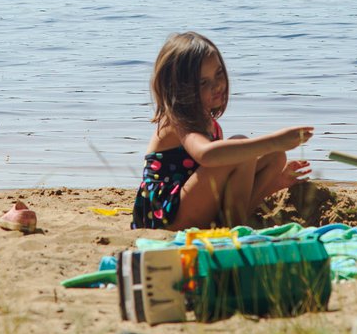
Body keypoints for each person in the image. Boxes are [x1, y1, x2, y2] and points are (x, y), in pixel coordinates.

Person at [132, 31, 313, 231]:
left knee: (275, 157)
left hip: (191, 205)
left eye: (218, 74)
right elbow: (206, 156)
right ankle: (235, 229)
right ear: (180, 88)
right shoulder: (176, 121)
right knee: (239, 149)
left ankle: (233, 224)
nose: (217, 85)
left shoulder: (211, 125)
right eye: (203, 82)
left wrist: (275, 182)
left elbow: (232, 185)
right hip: (165, 216)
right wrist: (273, 140)